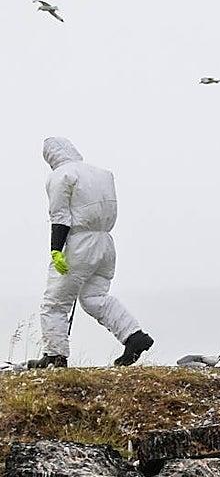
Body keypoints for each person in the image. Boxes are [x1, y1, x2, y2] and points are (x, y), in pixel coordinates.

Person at [30, 137, 153, 369]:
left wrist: (56, 250)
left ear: (50, 157)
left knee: (55, 302)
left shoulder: (61, 176)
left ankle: (54, 355)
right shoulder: (102, 174)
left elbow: (61, 216)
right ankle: (134, 336)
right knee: (94, 298)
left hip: (79, 243)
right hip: (105, 242)